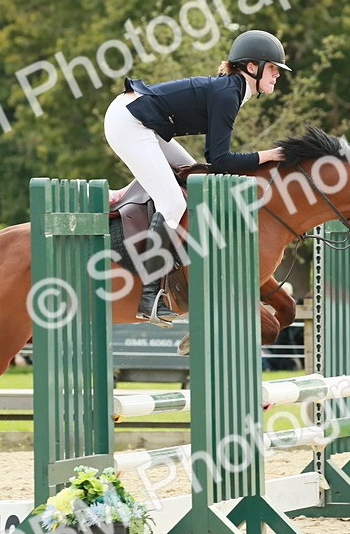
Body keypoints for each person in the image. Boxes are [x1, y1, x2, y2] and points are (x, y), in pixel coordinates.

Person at [103, 30, 289, 326]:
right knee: (174, 204)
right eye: (273, 68)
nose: (277, 74)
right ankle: (149, 296)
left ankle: (129, 195)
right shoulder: (229, 93)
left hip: (143, 122)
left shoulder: (234, 91)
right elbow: (221, 160)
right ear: (252, 67)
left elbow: (213, 163)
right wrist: (268, 155)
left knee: (194, 178)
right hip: (130, 121)